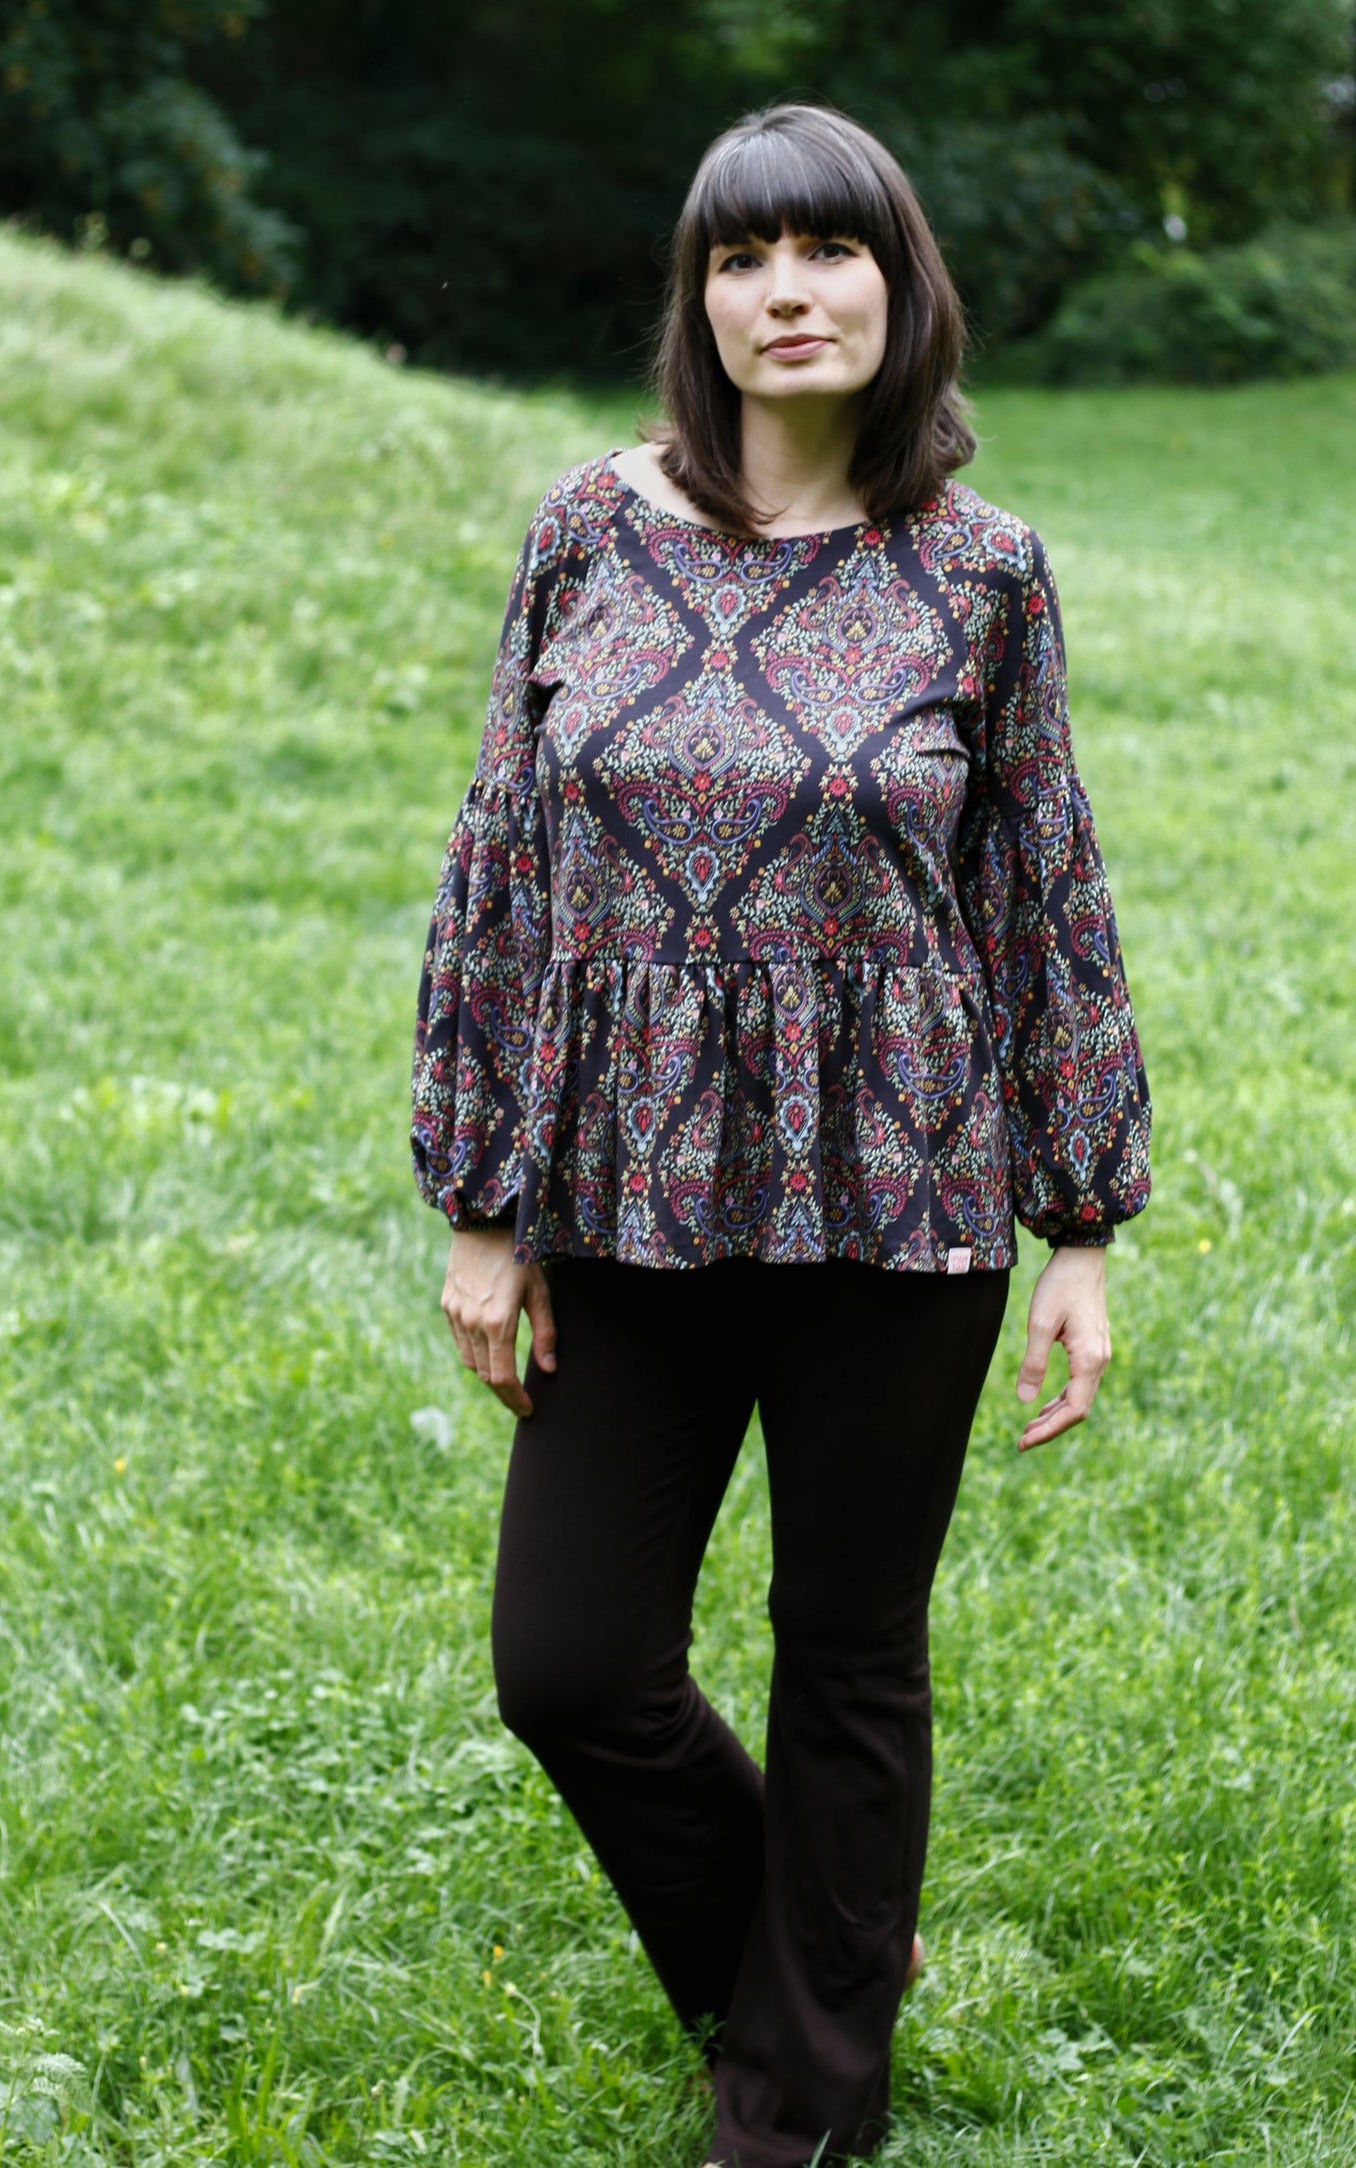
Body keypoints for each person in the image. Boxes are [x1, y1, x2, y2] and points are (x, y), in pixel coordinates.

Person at [409, 98, 1151, 2168]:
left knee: (845, 1654)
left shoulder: (981, 572)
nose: (786, 293)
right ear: (699, 298)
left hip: (902, 1185)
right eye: (741, 258)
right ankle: (820, 1956)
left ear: (900, 290)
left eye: (828, 252)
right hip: (623, 1182)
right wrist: (478, 1198)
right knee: (571, 1666)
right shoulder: (587, 527)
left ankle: (797, 2108)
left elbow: (1045, 891)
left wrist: (1081, 1226)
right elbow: (499, 865)